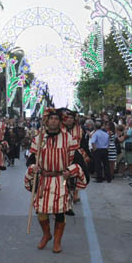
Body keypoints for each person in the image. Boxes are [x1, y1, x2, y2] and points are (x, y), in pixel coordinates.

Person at [24, 108, 87, 253]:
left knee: (60, 211)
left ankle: (57, 241)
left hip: (60, 180)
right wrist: (33, 167)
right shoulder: (38, 138)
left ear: (60, 122)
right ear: (46, 121)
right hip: (44, 180)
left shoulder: (68, 138)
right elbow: (31, 159)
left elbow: (77, 160)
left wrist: (70, 171)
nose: (54, 121)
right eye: (51, 118)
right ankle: (47, 234)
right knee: (41, 210)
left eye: (56, 119)